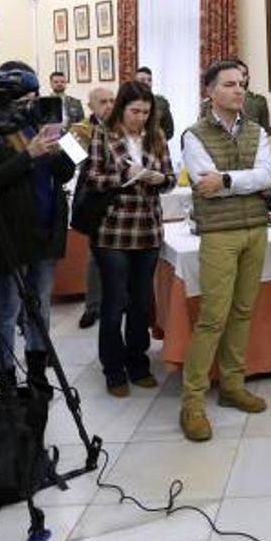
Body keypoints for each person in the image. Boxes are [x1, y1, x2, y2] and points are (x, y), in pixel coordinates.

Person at [177, 60, 271, 441]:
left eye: (243, 84)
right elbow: (205, 183)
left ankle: (232, 387)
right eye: (231, 84)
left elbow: (269, 176)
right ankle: (193, 403)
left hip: (256, 229)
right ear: (210, 91)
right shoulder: (193, 134)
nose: (240, 91)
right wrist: (249, 181)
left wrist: (230, 179)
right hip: (219, 233)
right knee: (213, 317)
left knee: (242, 312)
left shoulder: (256, 130)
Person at [0, 61, 76, 395]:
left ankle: (38, 374)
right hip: (8, 236)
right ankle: (5, 380)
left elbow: (65, 173)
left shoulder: (39, 125)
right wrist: (28, 156)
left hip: (46, 231)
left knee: (40, 309)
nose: (30, 105)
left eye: (35, 97)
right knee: (6, 311)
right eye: (23, 99)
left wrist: (57, 144)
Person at [86, 80, 174, 396]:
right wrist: (125, 176)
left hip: (147, 229)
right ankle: (113, 369)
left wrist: (159, 178)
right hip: (112, 230)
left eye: (145, 112)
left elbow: (170, 179)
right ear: (121, 108)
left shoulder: (157, 135)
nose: (139, 117)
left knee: (141, 302)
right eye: (134, 111)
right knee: (114, 303)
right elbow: (93, 178)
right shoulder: (103, 134)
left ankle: (138, 363)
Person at [71, 85, 115, 330]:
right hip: (95, 196)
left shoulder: (124, 128)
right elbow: (74, 163)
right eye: (103, 102)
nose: (109, 106)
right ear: (91, 106)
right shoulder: (79, 131)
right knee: (95, 257)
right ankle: (93, 306)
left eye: (112, 101)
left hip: (120, 198)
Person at [133, 66, 175, 140]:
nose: (147, 83)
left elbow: (169, 131)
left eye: (149, 80)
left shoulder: (161, 103)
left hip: (157, 146)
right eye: (142, 80)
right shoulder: (128, 102)